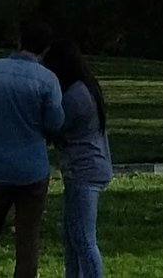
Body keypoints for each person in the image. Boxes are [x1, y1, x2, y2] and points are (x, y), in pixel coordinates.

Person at [0, 21, 65, 278]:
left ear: (19, 40)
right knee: (28, 241)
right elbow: (56, 122)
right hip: (32, 169)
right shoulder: (47, 80)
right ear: (46, 49)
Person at [48, 38, 114, 278]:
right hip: (87, 169)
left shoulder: (76, 96)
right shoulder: (85, 89)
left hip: (84, 171)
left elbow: (55, 125)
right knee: (72, 236)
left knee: (84, 239)